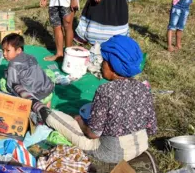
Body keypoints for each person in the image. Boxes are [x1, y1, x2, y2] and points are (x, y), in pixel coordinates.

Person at [33, 35, 157, 163]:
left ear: (112, 66)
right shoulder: (143, 88)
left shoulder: (106, 91)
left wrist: (80, 121)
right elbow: (152, 128)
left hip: (114, 154)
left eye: (104, 61)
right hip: (142, 146)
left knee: (59, 119)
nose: (101, 64)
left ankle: (41, 110)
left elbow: (93, 134)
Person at [2, 33, 54, 108]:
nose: (4, 54)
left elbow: (11, 85)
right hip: (48, 90)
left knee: (3, 84)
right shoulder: (30, 57)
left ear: (19, 50)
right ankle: (47, 107)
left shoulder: (13, 65)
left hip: (35, 98)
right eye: (3, 50)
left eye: (7, 50)